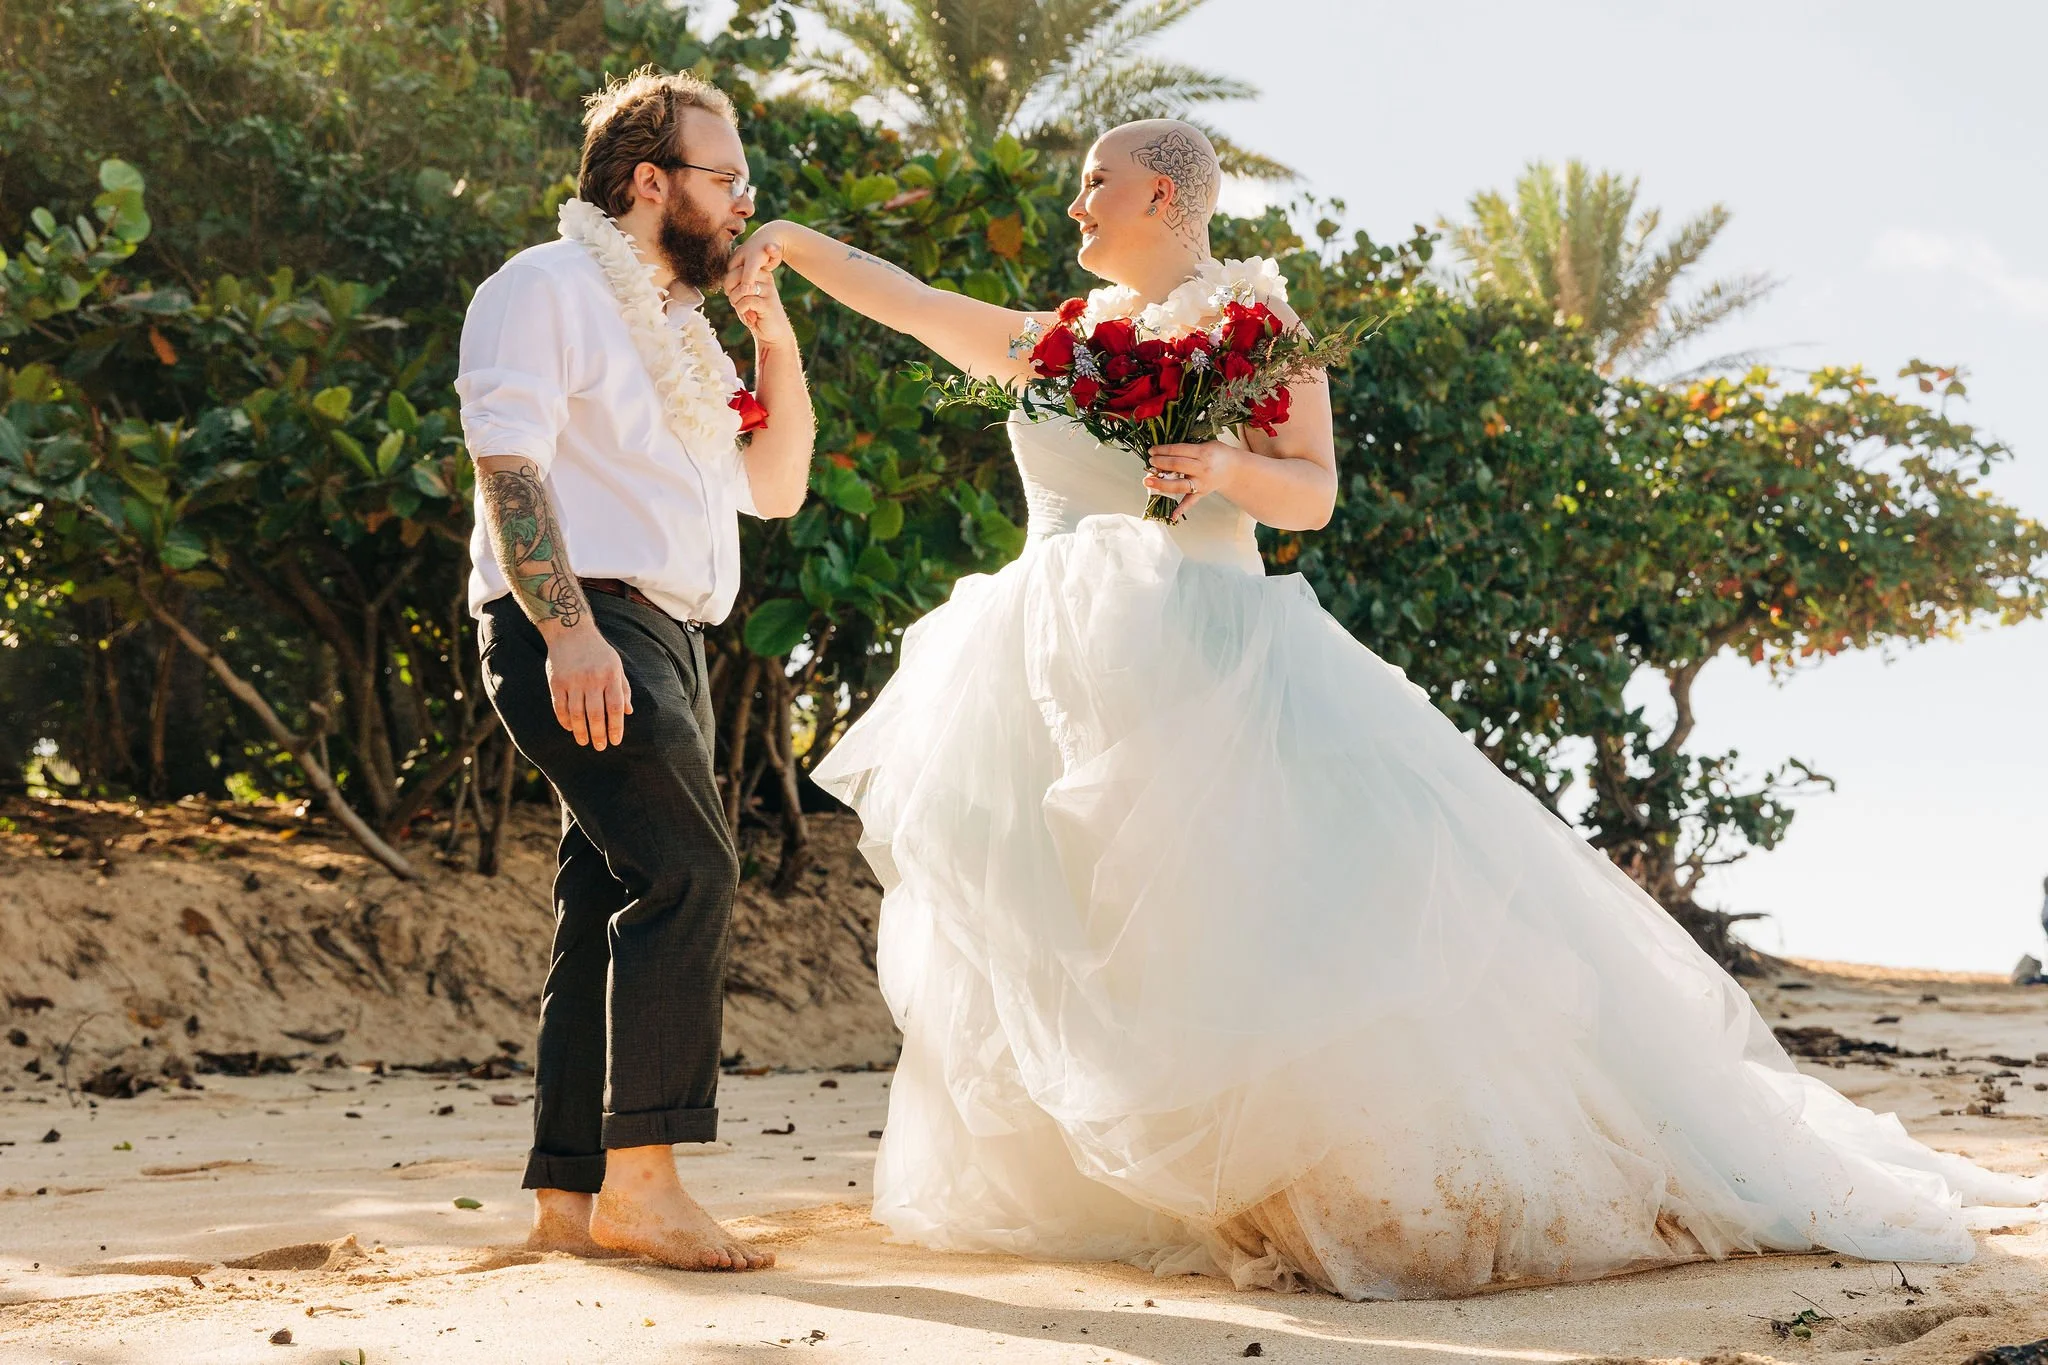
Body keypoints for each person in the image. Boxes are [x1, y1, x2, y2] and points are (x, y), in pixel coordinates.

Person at [722, 119, 2046, 1299]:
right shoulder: (1051, 342)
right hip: (1050, 668)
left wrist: (1224, 460)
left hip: (1212, 660)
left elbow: (1310, 494)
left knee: (1249, 923)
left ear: (1171, 200)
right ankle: (1153, 1184)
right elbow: (900, 300)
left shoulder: (1263, 338)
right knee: (1096, 931)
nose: (1076, 207)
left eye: (1094, 185)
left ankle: (1295, 1182)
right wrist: (786, 236)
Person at [456, 69, 814, 1271]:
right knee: (687, 872)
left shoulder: (685, 331)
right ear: (650, 180)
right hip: (579, 620)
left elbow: (775, 489)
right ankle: (648, 1184)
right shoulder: (544, 286)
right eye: (724, 178)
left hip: (665, 637)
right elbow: (509, 469)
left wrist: (770, 340)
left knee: (602, 905)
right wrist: (565, 635)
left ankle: (569, 1200)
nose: (741, 200)